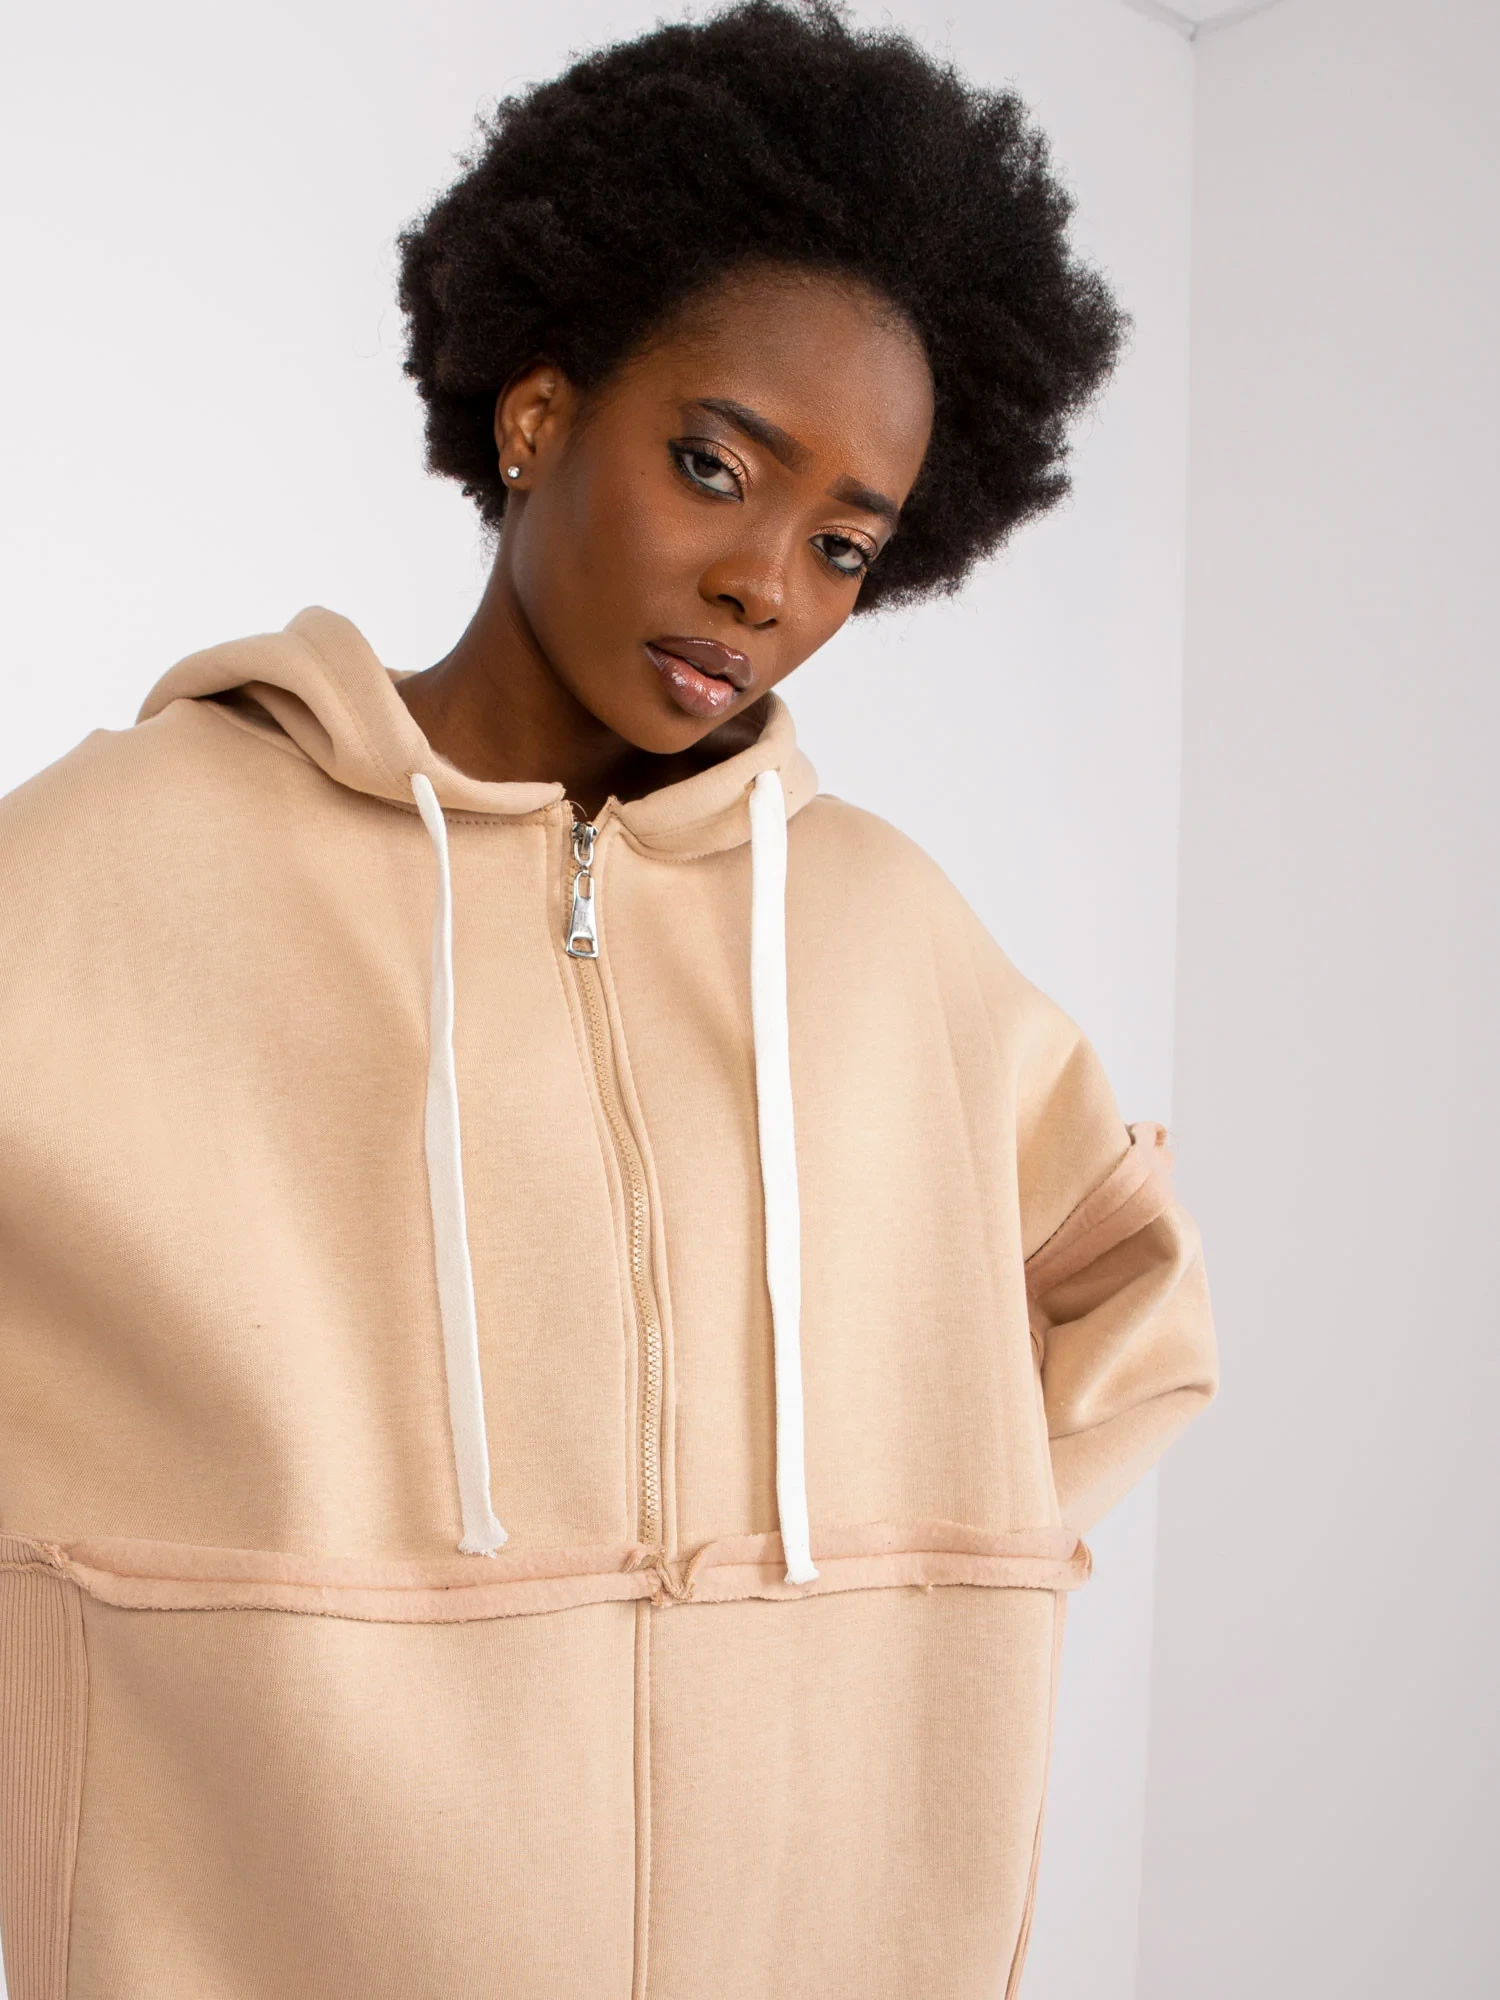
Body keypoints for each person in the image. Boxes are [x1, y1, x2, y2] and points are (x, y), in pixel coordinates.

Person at [0, 3, 1217, 1995]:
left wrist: (904, 1583)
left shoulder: (883, 928)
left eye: (846, 543)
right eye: (716, 465)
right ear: (541, 412)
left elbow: (1130, 1309)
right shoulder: (118, 861)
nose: (768, 585)